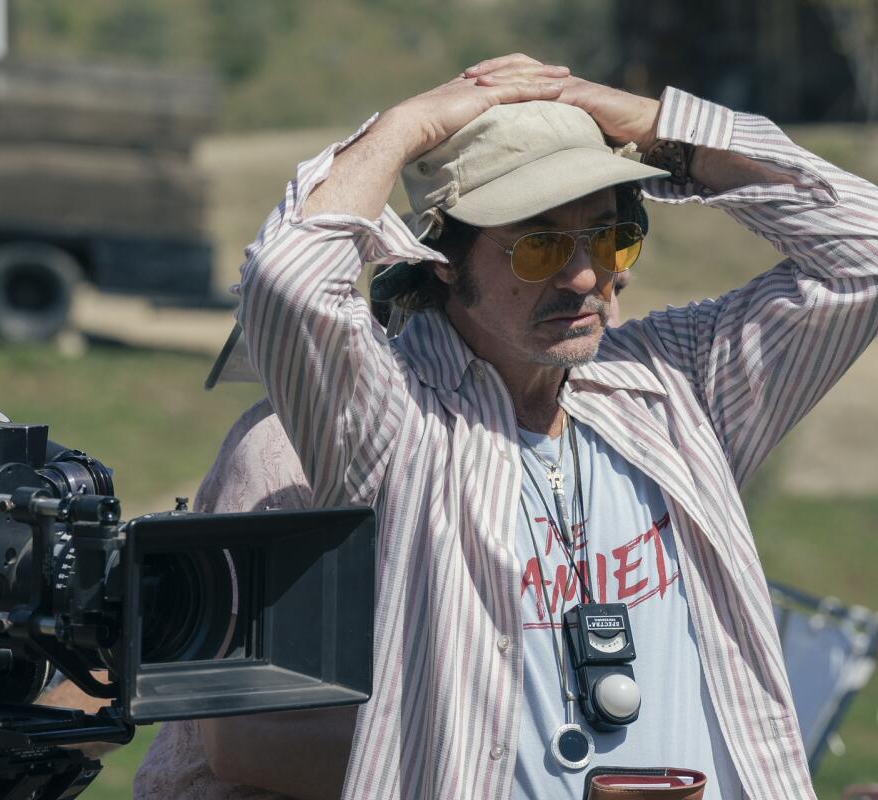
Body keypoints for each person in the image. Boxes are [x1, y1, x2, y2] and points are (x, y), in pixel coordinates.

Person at [199, 53, 877, 800]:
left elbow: (862, 254)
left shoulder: (679, 386)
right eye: (540, 244)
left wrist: (663, 131)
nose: (586, 277)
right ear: (444, 260)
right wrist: (406, 128)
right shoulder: (397, 423)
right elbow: (289, 282)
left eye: (609, 237)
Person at [134, 275, 632, 800]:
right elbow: (248, 739)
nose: (603, 311)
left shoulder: (547, 448)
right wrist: (513, 769)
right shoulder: (281, 454)